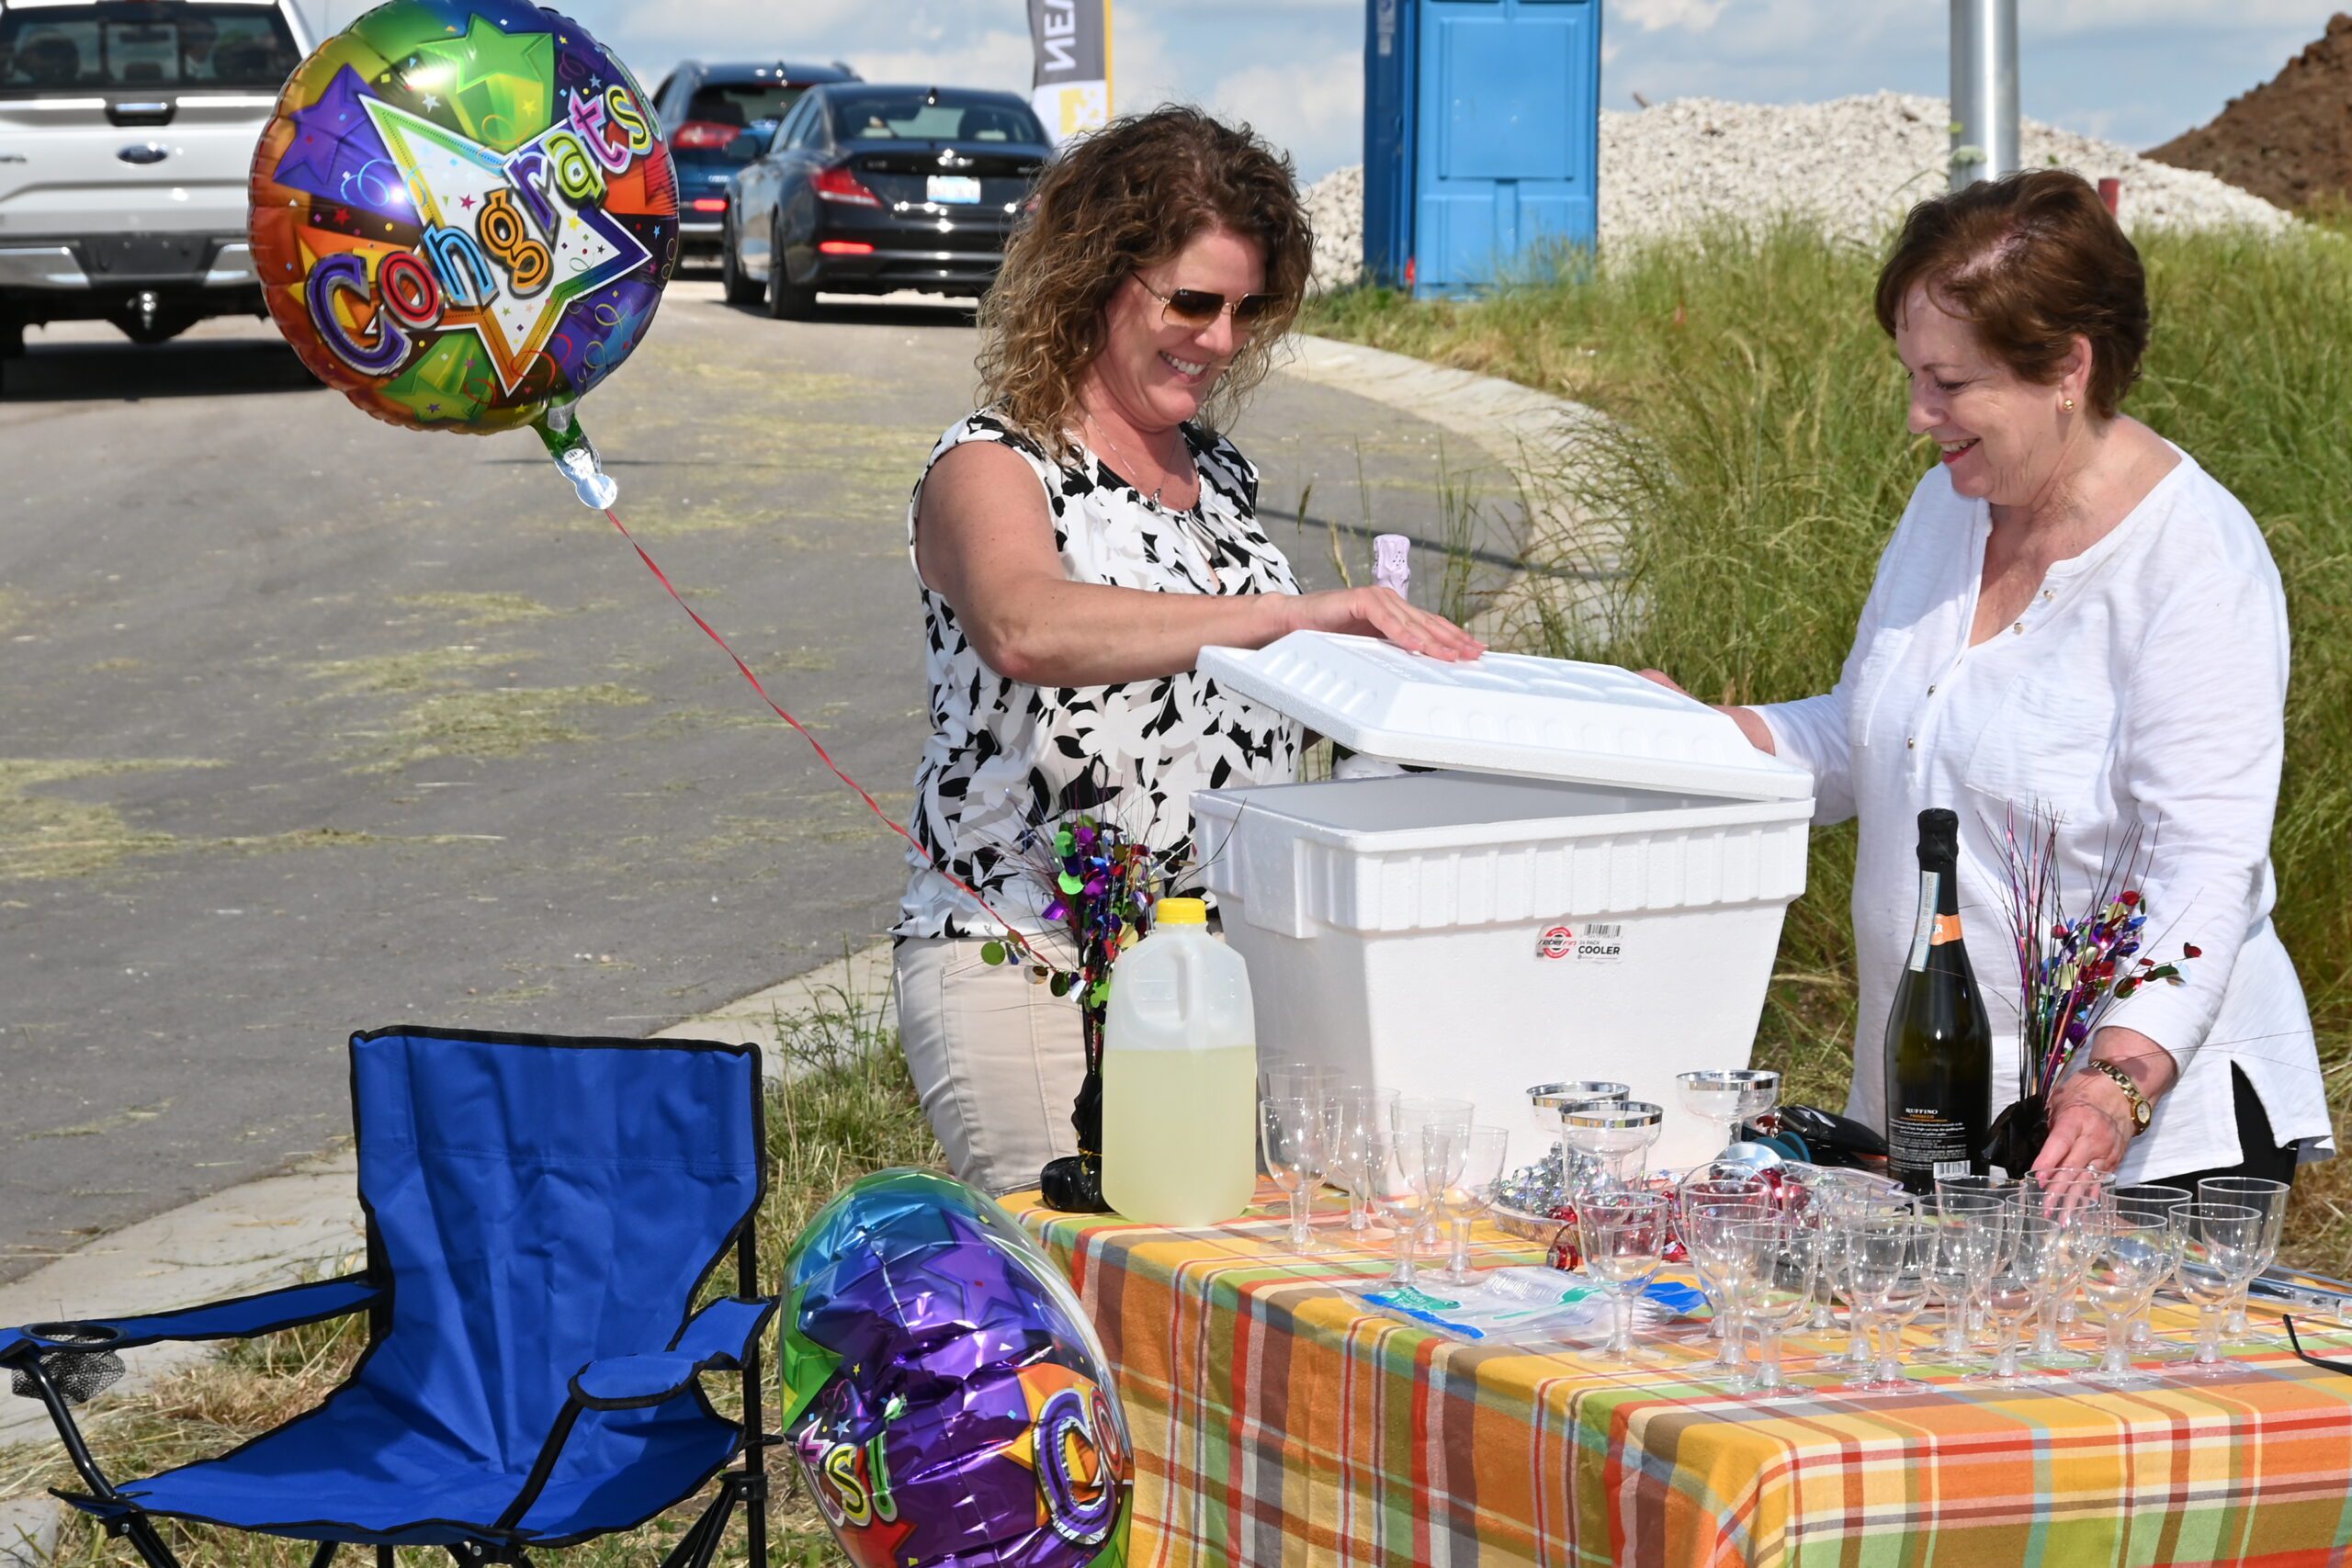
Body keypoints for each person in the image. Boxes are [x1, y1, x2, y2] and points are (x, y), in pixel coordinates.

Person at [1648, 170, 2326, 1190]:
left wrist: (2117, 1081)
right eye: (1911, 376)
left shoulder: (2195, 564)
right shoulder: (1947, 506)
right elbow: (1872, 736)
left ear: (2066, 367)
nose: (1919, 415)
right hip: (1938, 1111)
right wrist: (1687, 737)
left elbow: (2206, 864)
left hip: (2131, 1146)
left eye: (1951, 383)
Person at [893, 107, 1483, 1195]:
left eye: (1247, 310)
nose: (1220, 340)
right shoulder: (992, 463)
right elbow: (1025, 626)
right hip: (1033, 963)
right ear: (1093, 279)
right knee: (1081, 1277)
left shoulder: (1219, 479)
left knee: (1201, 1274)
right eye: (1192, 302)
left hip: (1214, 974)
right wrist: (1288, 617)